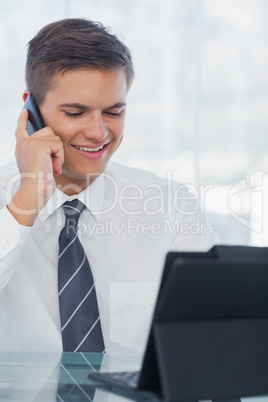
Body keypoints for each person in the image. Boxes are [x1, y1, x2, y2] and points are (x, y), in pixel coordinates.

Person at [0, 18, 217, 354]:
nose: (99, 132)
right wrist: (28, 197)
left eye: (114, 111)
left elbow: (210, 334)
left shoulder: (171, 204)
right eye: (75, 112)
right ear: (31, 111)